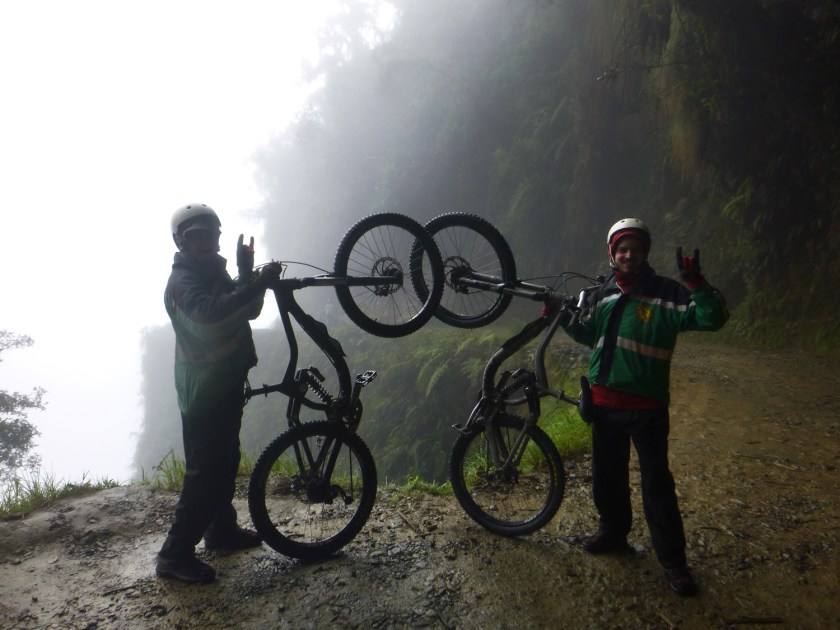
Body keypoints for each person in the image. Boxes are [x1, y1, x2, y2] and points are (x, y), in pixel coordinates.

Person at [561, 217, 728, 597]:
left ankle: (673, 562)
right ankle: (612, 533)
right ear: (612, 254)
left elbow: (713, 319)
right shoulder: (602, 294)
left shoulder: (668, 293)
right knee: (606, 476)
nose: (628, 254)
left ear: (645, 253)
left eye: (635, 249)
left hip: (647, 407)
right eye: (621, 249)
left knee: (657, 485)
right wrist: (562, 318)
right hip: (604, 405)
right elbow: (591, 336)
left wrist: (697, 285)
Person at [156, 202, 282, 584]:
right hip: (203, 393)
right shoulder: (182, 284)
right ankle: (174, 556)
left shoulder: (214, 272)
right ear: (181, 242)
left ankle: (221, 531)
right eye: (198, 236)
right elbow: (212, 320)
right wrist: (254, 283)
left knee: (226, 461)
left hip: (225, 381)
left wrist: (246, 275)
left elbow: (249, 309)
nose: (207, 241)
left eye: (212, 234)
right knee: (204, 474)